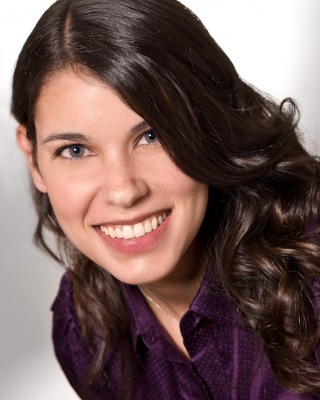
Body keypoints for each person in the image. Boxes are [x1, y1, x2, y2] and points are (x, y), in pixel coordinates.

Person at [11, 0, 320, 398]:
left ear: (210, 125)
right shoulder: (84, 330)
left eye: (153, 135)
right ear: (34, 159)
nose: (123, 191)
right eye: (74, 150)